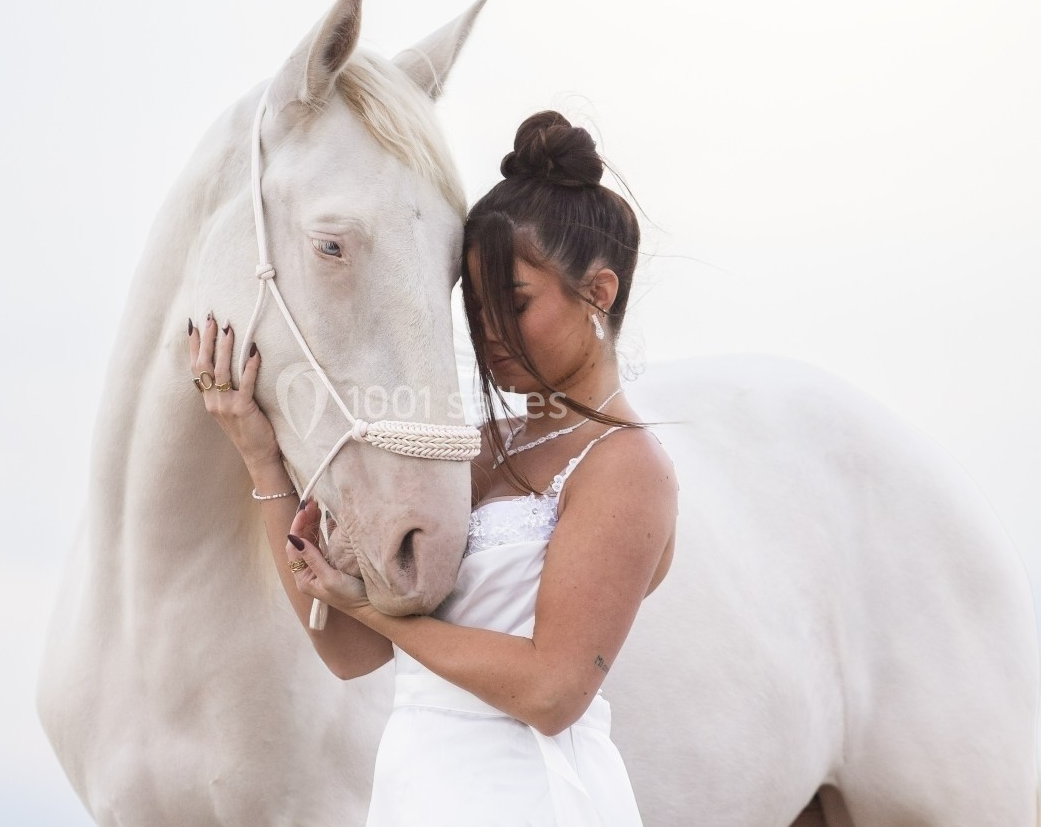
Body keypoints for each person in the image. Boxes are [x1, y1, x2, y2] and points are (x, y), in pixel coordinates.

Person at [188, 110, 678, 826]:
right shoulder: (474, 449)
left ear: (598, 294)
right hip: (417, 789)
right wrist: (263, 459)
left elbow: (553, 693)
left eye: (515, 303)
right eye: (474, 307)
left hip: (529, 799)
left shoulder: (626, 464)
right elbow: (349, 652)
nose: (488, 331)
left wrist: (365, 607)